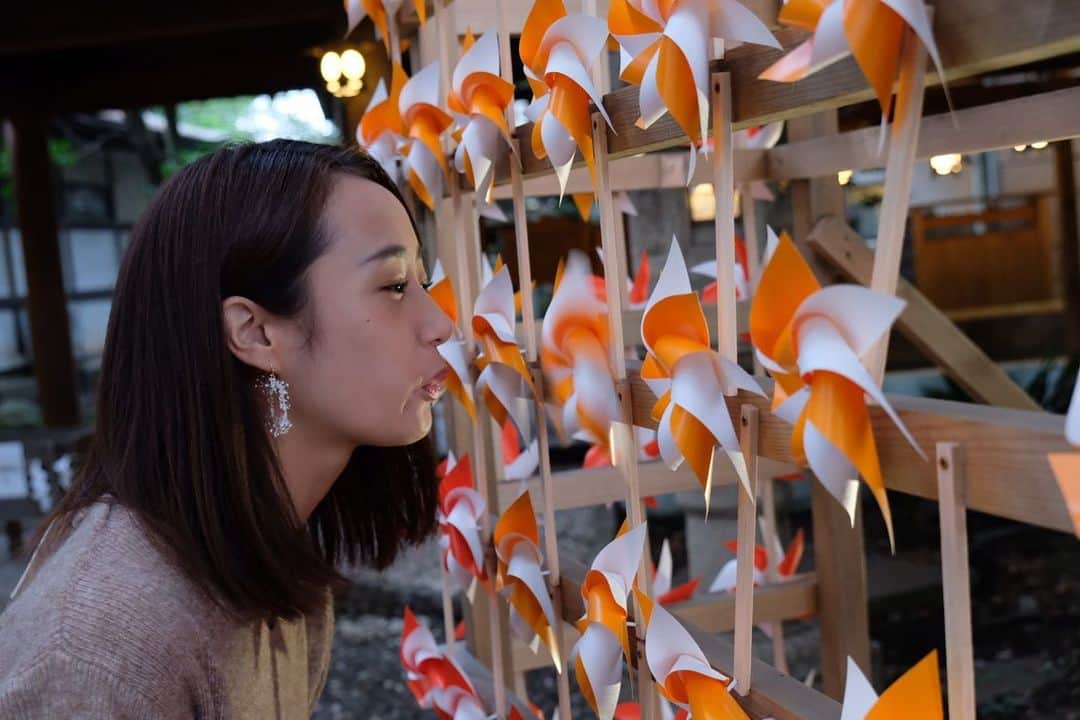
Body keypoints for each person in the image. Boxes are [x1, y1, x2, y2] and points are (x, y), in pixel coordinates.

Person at [0, 140, 454, 718]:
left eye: (420, 280)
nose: (440, 322)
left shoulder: (267, 543)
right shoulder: (94, 657)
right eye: (393, 285)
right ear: (256, 333)